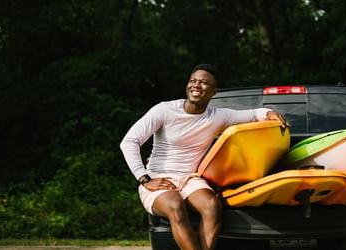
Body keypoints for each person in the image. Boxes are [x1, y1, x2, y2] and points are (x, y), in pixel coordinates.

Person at [120, 64, 288, 250]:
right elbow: (129, 141)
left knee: (212, 207)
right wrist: (145, 178)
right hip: (158, 177)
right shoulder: (164, 110)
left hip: (190, 179)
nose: (196, 85)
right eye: (193, 81)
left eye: (204, 83)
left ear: (213, 92)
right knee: (175, 205)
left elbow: (253, 114)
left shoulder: (218, 116)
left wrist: (270, 113)